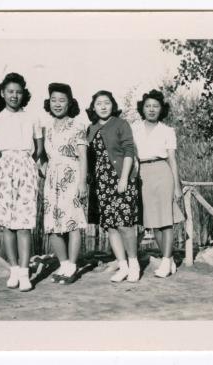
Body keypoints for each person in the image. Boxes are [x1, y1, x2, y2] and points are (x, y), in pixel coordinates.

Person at [0, 72, 43, 292]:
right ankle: (13, 269)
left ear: (24, 94)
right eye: (10, 92)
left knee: (24, 223)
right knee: (7, 223)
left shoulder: (32, 118)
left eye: (18, 92)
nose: (14, 96)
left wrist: (28, 164)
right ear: (3, 93)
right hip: (4, 170)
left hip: (26, 168)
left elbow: (39, 147)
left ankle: (24, 273)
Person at [86, 90, 140, 283]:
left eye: (107, 102)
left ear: (113, 105)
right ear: (93, 107)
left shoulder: (121, 124)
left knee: (124, 224)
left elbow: (129, 151)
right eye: (99, 103)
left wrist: (124, 178)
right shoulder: (90, 128)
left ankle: (134, 265)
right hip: (101, 182)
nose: (103, 106)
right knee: (110, 226)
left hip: (120, 178)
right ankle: (122, 265)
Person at [131, 89, 185, 278]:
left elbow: (173, 159)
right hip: (143, 173)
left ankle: (166, 260)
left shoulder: (167, 131)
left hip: (163, 172)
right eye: (148, 106)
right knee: (153, 221)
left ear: (161, 109)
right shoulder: (134, 128)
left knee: (166, 220)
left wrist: (177, 186)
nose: (152, 110)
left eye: (155, 106)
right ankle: (167, 259)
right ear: (142, 109)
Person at [40, 83, 88, 284]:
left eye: (62, 100)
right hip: (52, 179)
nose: (57, 104)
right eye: (53, 100)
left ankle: (73, 266)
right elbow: (40, 155)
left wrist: (82, 183)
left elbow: (83, 157)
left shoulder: (77, 125)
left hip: (72, 175)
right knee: (52, 225)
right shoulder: (45, 126)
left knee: (72, 222)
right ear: (48, 102)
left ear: (70, 103)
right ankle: (64, 264)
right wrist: (43, 168)